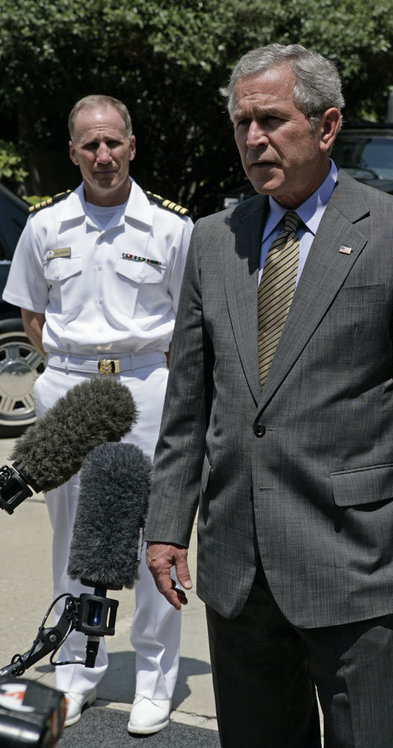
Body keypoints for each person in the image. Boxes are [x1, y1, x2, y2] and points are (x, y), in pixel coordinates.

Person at [145, 44, 393, 747]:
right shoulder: (210, 241)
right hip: (237, 564)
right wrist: (168, 524)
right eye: (241, 123)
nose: (252, 138)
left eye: (270, 120)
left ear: (325, 127)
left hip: (353, 560)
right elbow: (188, 405)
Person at [3, 95, 193, 735]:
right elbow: (34, 316)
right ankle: (76, 672)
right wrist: (73, 363)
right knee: (74, 539)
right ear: (73, 151)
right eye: (90, 145)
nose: (103, 155)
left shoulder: (171, 227)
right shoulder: (46, 224)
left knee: (151, 540)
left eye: (113, 142)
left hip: (146, 388)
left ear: (132, 146)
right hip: (69, 389)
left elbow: (191, 322)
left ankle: (153, 679)